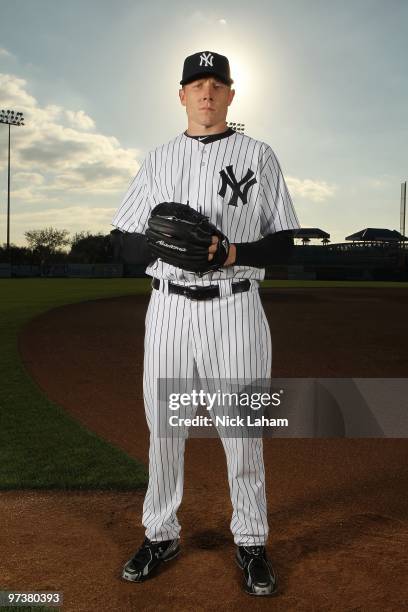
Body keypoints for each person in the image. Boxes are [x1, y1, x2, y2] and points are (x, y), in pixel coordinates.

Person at [111, 50, 300, 597]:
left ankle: (251, 541)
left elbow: (284, 243)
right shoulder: (157, 159)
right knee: (164, 430)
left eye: (217, 83)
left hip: (236, 305)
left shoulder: (258, 155)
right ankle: (161, 533)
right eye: (197, 83)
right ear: (182, 95)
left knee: (242, 431)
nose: (207, 92)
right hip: (169, 307)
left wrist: (230, 252)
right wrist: (168, 244)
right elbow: (124, 242)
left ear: (231, 95)